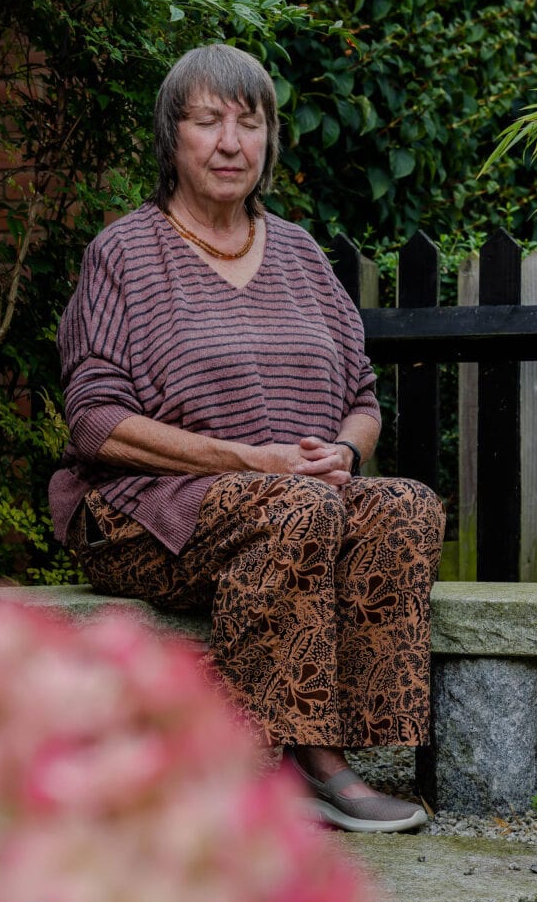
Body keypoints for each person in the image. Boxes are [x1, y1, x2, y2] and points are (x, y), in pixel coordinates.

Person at [49, 43, 446, 833]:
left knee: (405, 503)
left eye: (249, 121)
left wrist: (348, 451)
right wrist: (253, 462)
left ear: (268, 140)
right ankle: (306, 764)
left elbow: (363, 398)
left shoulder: (300, 253)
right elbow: (94, 422)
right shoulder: (124, 253)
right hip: (146, 514)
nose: (230, 142)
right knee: (295, 509)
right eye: (207, 121)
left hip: (293, 501)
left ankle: (345, 748)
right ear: (172, 140)